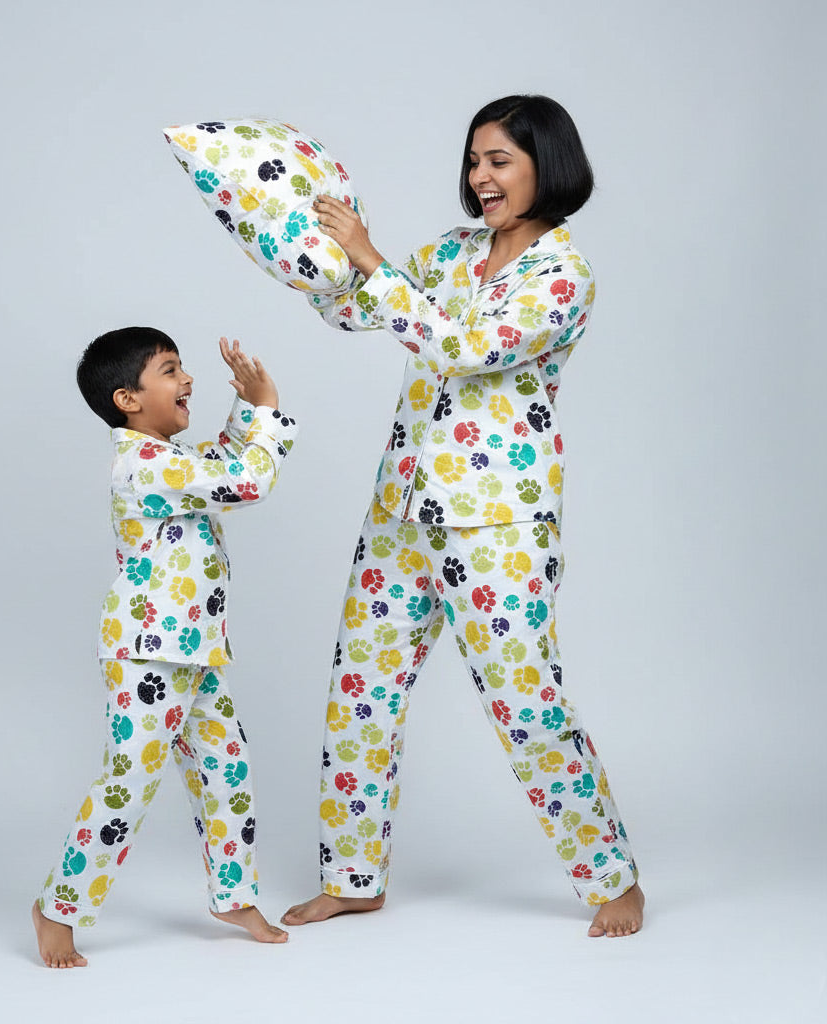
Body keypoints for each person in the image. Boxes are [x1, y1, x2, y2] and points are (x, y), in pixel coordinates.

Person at [281, 95, 644, 937]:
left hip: (499, 522)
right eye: (475, 160)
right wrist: (306, 243)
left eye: (501, 161)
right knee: (360, 694)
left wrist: (373, 261)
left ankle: (611, 876)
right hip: (402, 507)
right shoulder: (451, 252)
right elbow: (358, 309)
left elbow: (461, 348)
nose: (481, 177)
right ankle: (353, 873)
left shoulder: (562, 274)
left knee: (527, 705)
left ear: (546, 165)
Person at [33, 328, 297, 967]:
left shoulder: (171, 460)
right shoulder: (144, 462)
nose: (188, 381)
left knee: (226, 769)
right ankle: (57, 908)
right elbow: (243, 482)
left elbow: (224, 464)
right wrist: (265, 410)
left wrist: (248, 410)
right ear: (127, 398)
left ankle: (232, 894)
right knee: (128, 782)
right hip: (148, 652)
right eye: (171, 370)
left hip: (196, 651)